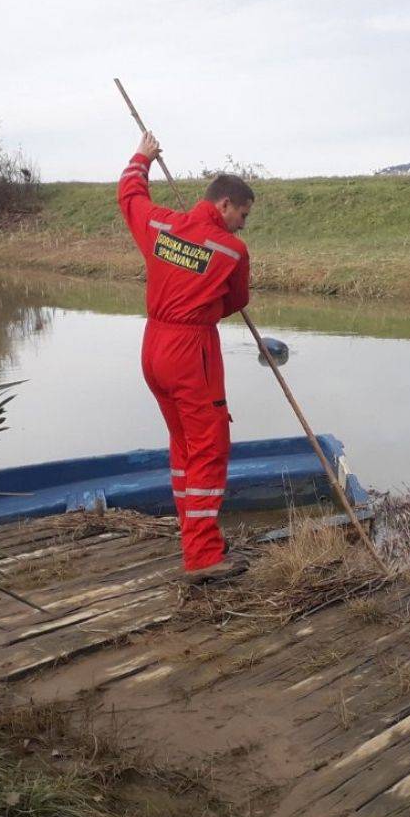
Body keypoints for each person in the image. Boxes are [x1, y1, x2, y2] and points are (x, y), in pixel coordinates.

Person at [118, 131, 252, 584]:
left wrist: (143, 157)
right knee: (210, 448)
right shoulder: (233, 251)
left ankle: (191, 532)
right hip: (191, 351)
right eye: (242, 215)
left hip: (152, 347)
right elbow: (235, 301)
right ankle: (202, 556)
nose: (243, 225)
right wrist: (203, 308)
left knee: (184, 445)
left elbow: (130, 195)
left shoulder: (160, 226)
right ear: (225, 205)